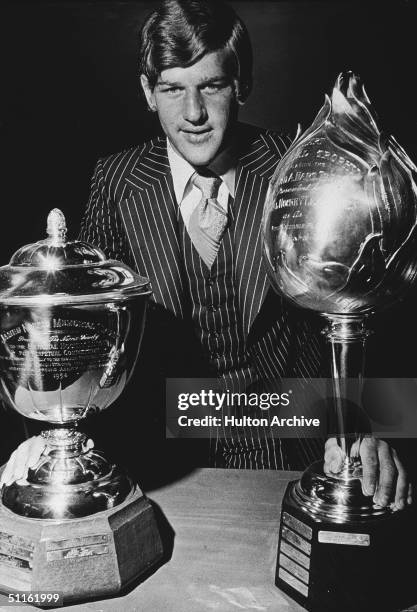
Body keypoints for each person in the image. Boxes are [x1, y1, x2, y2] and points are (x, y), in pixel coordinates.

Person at [0, 0, 412, 509]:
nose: (193, 114)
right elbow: (78, 332)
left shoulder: (299, 166)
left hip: (298, 458)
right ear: (149, 92)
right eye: (173, 88)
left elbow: (364, 313)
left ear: (241, 84)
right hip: (162, 468)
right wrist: (48, 431)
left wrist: (370, 433)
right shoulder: (116, 181)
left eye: (211, 86)